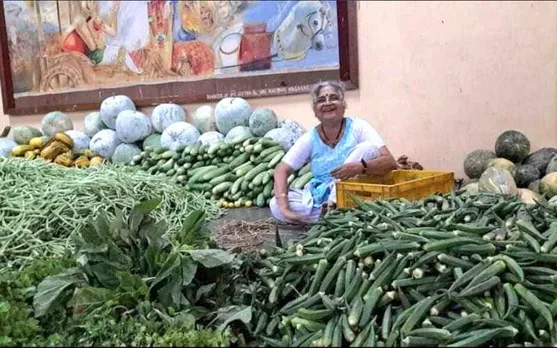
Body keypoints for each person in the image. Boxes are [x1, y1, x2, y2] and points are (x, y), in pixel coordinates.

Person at [270, 80, 398, 224]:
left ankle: (333, 208)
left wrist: (360, 167)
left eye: (334, 98)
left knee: (367, 148)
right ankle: (334, 216)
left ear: (344, 105)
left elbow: (390, 162)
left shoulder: (358, 127)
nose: (327, 103)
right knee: (276, 205)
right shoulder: (311, 137)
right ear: (315, 110)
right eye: (321, 100)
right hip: (321, 198)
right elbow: (281, 169)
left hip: (355, 194)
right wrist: (285, 208)